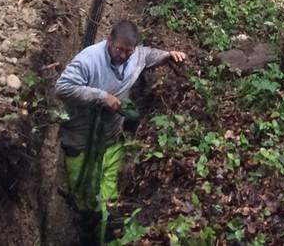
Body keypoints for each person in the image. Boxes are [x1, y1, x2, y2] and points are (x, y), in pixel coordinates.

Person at [55, 20, 186, 244]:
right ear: (109, 42)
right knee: (83, 192)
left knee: (109, 193)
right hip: (79, 137)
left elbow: (148, 55)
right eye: (119, 50)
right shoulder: (89, 60)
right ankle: (85, 226)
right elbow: (62, 87)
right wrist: (102, 97)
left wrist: (168, 54)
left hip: (110, 137)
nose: (124, 55)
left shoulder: (136, 56)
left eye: (128, 51)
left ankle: (106, 233)